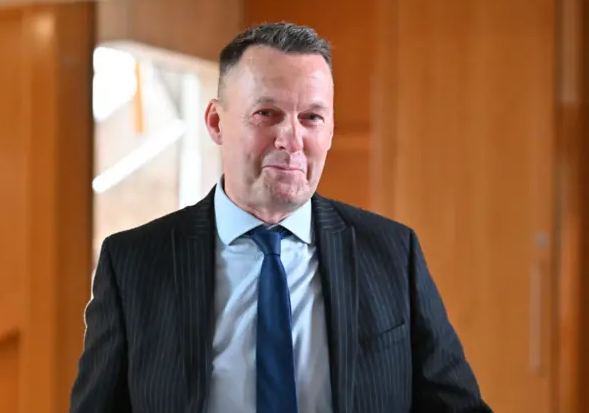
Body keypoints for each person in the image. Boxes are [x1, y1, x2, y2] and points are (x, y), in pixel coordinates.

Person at [69, 22, 492, 413]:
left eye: (311, 117)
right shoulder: (134, 264)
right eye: (266, 114)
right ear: (216, 121)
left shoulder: (393, 254)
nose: (292, 139)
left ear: (329, 131)